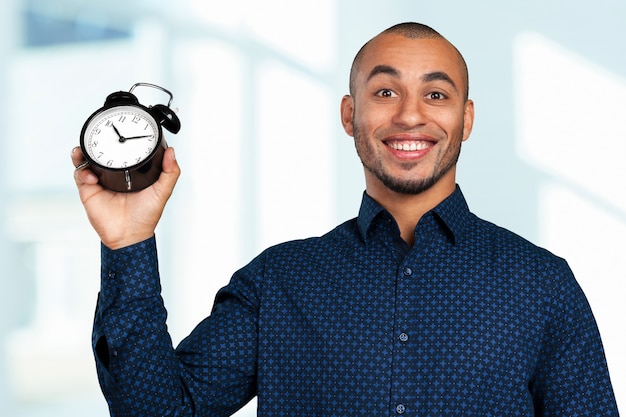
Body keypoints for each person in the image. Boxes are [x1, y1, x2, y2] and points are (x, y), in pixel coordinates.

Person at [71, 22, 620, 417]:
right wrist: (130, 243)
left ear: (465, 119)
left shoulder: (543, 284)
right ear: (349, 114)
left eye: (435, 93)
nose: (410, 114)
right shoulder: (278, 282)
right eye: (385, 92)